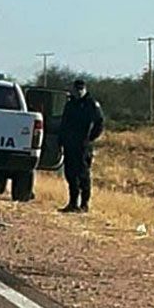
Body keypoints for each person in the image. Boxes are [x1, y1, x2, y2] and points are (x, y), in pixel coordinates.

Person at [59, 79, 105, 213]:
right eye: (76, 89)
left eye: (81, 89)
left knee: (83, 175)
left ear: (84, 89)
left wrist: (90, 138)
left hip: (83, 147)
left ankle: (84, 204)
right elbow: (64, 123)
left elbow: (100, 123)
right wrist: (61, 140)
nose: (78, 92)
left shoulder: (91, 104)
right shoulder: (70, 104)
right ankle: (73, 203)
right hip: (70, 145)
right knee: (70, 174)